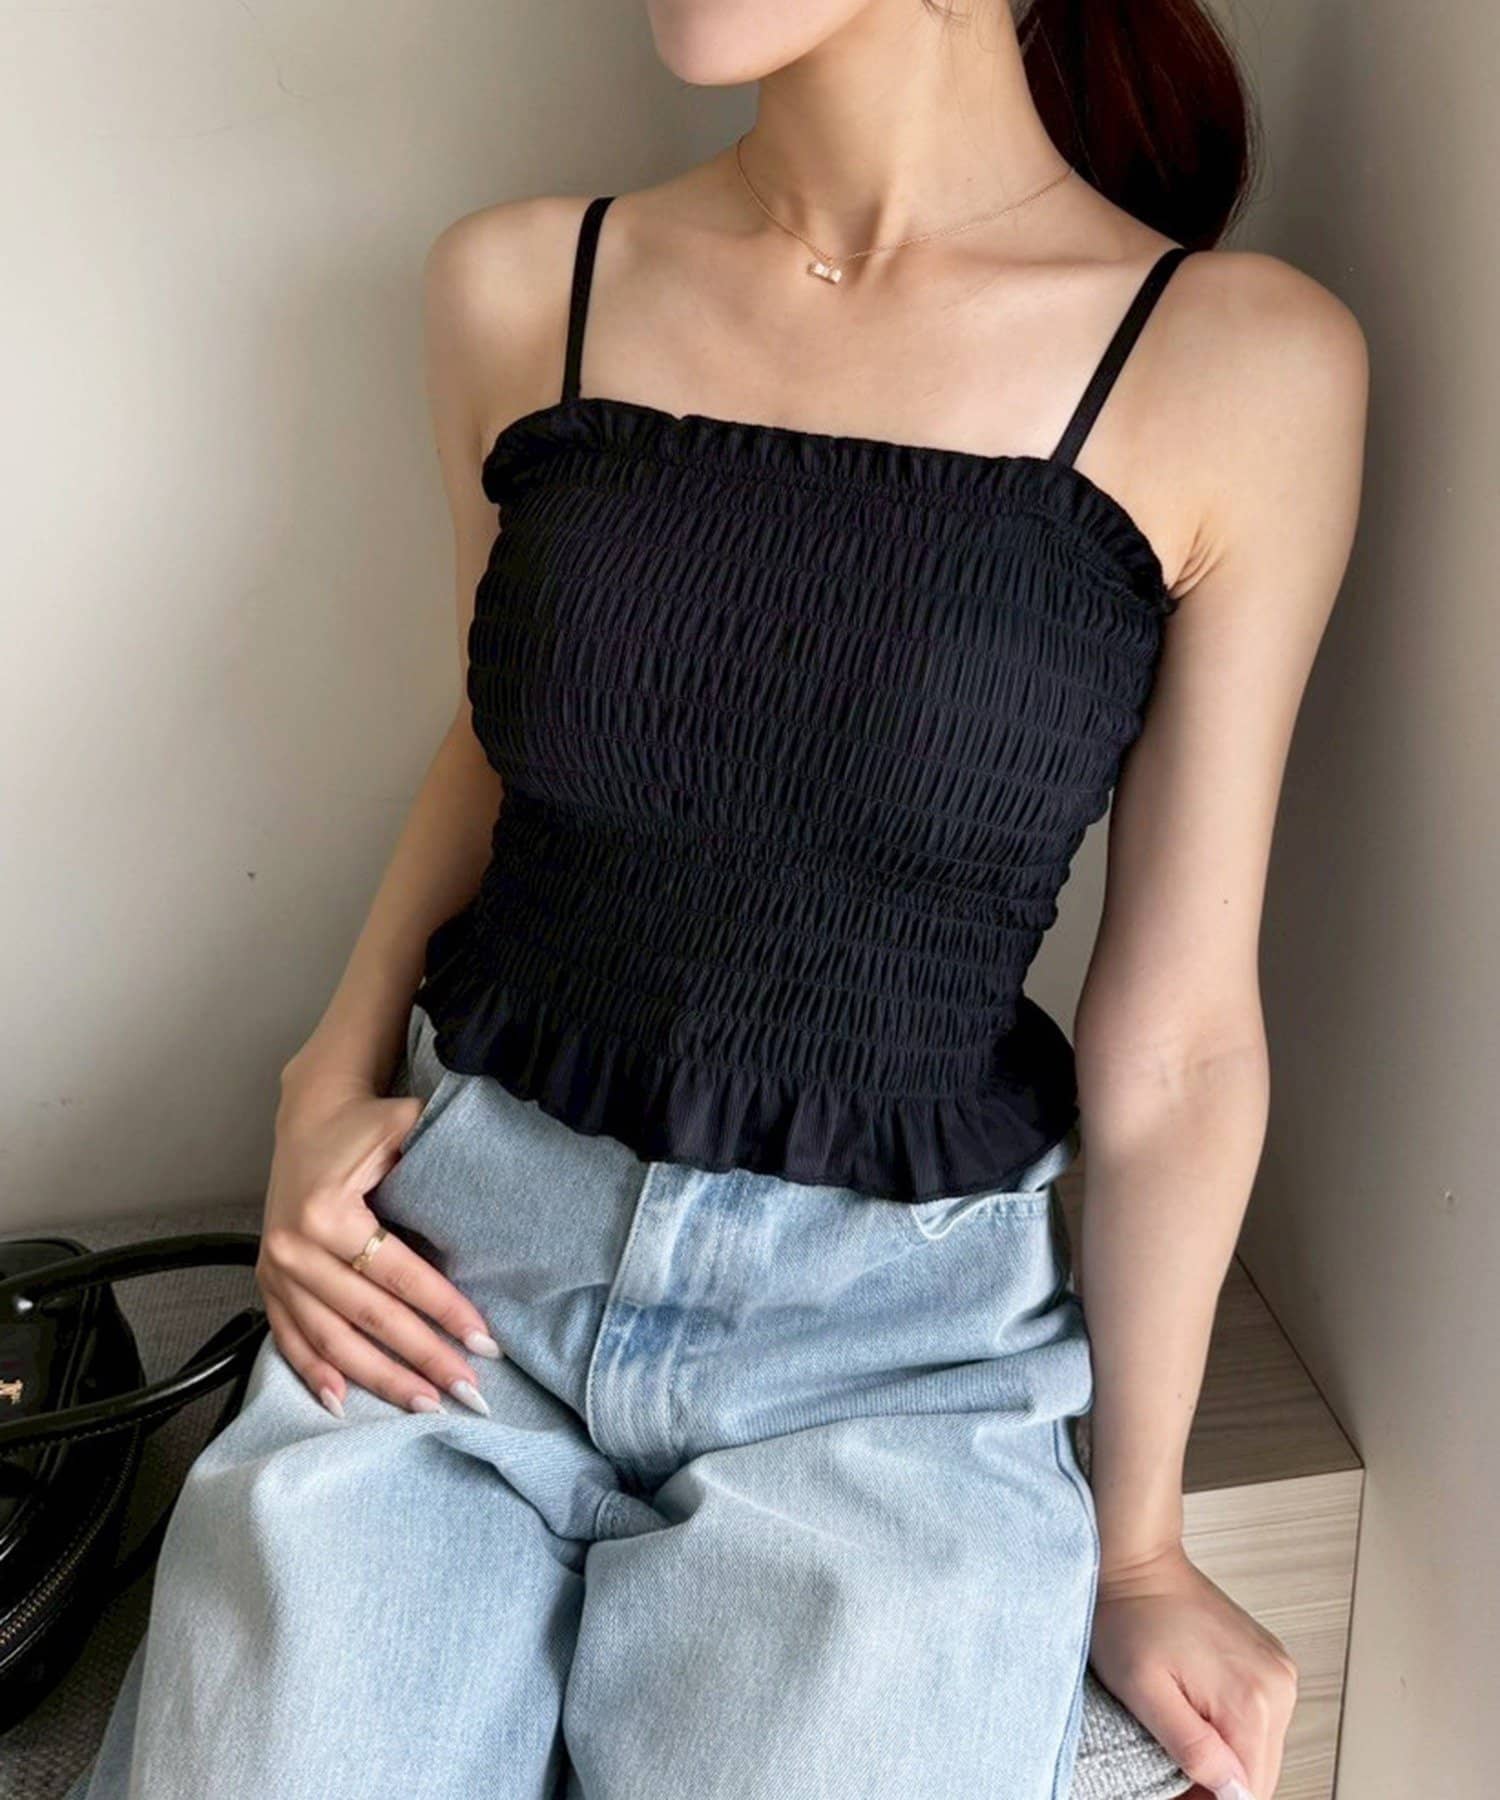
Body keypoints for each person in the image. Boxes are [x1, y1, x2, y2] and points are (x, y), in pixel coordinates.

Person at [68, 1, 1368, 1796]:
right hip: (460, 1279)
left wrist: (1136, 1549)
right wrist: (329, 1067)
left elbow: (1182, 1035)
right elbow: (502, 741)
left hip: (892, 1357)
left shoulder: (1238, 360)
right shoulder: (523, 286)